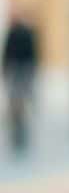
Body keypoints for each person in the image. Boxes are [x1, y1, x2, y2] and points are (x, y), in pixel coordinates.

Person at [3, 11, 37, 154]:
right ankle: (18, 134)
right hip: (20, 71)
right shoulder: (24, 33)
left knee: (18, 103)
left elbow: (7, 54)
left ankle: (19, 134)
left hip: (19, 71)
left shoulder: (18, 33)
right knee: (17, 103)